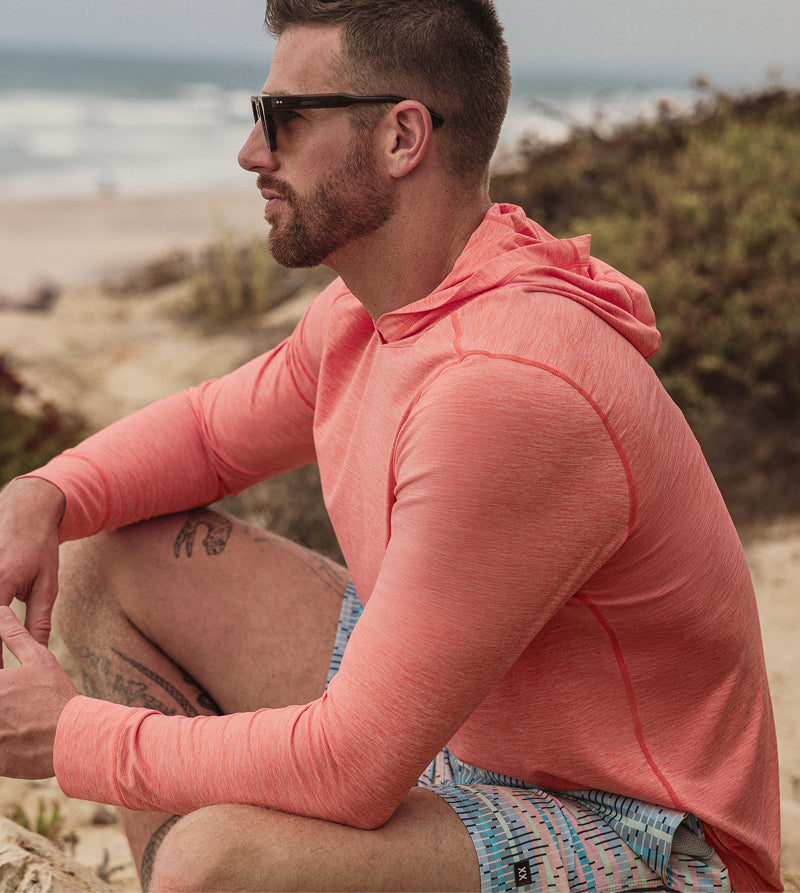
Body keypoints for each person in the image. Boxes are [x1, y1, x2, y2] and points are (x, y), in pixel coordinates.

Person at [0, 1, 781, 891]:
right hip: (461, 742)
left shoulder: (506, 386)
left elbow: (352, 766)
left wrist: (69, 738)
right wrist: (42, 492)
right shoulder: (381, 305)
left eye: (285, 119)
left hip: (635, 831)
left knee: (221, 863)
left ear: (403, 136)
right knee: (114, 554)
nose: (253, 153)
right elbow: (212, 433)